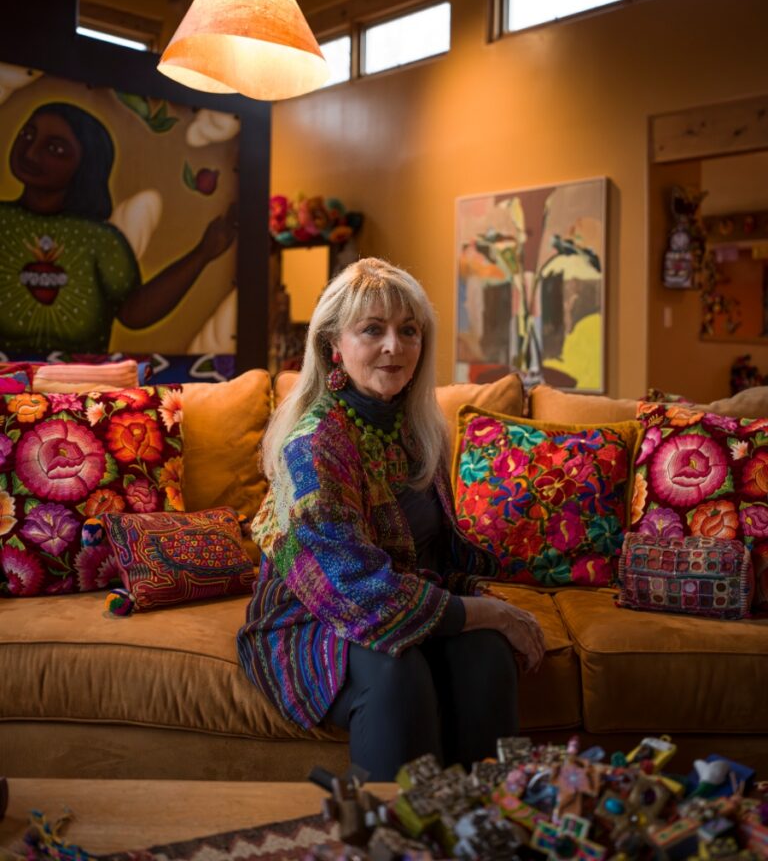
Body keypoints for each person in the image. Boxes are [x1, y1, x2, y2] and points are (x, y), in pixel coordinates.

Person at [237, 257, 546, 780]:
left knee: (486, 656)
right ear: (334, 345)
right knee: (398, 668)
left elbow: (436, 556)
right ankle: (397, 834)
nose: (394, 347)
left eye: (408, 331)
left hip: (402, 599)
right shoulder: (312, 447)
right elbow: (356, 593)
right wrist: (490, 612)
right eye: (372, 330)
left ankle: (486, 820)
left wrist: (507, 589)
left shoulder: (417, 430)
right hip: (315, 619)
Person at [0, 101, 237, 353]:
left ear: (85, 164)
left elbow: (133, 313)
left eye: (55, 148)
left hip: (85, 389)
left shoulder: (100, 239)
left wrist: (203, 254)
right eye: (28, 135)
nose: (30, 153)